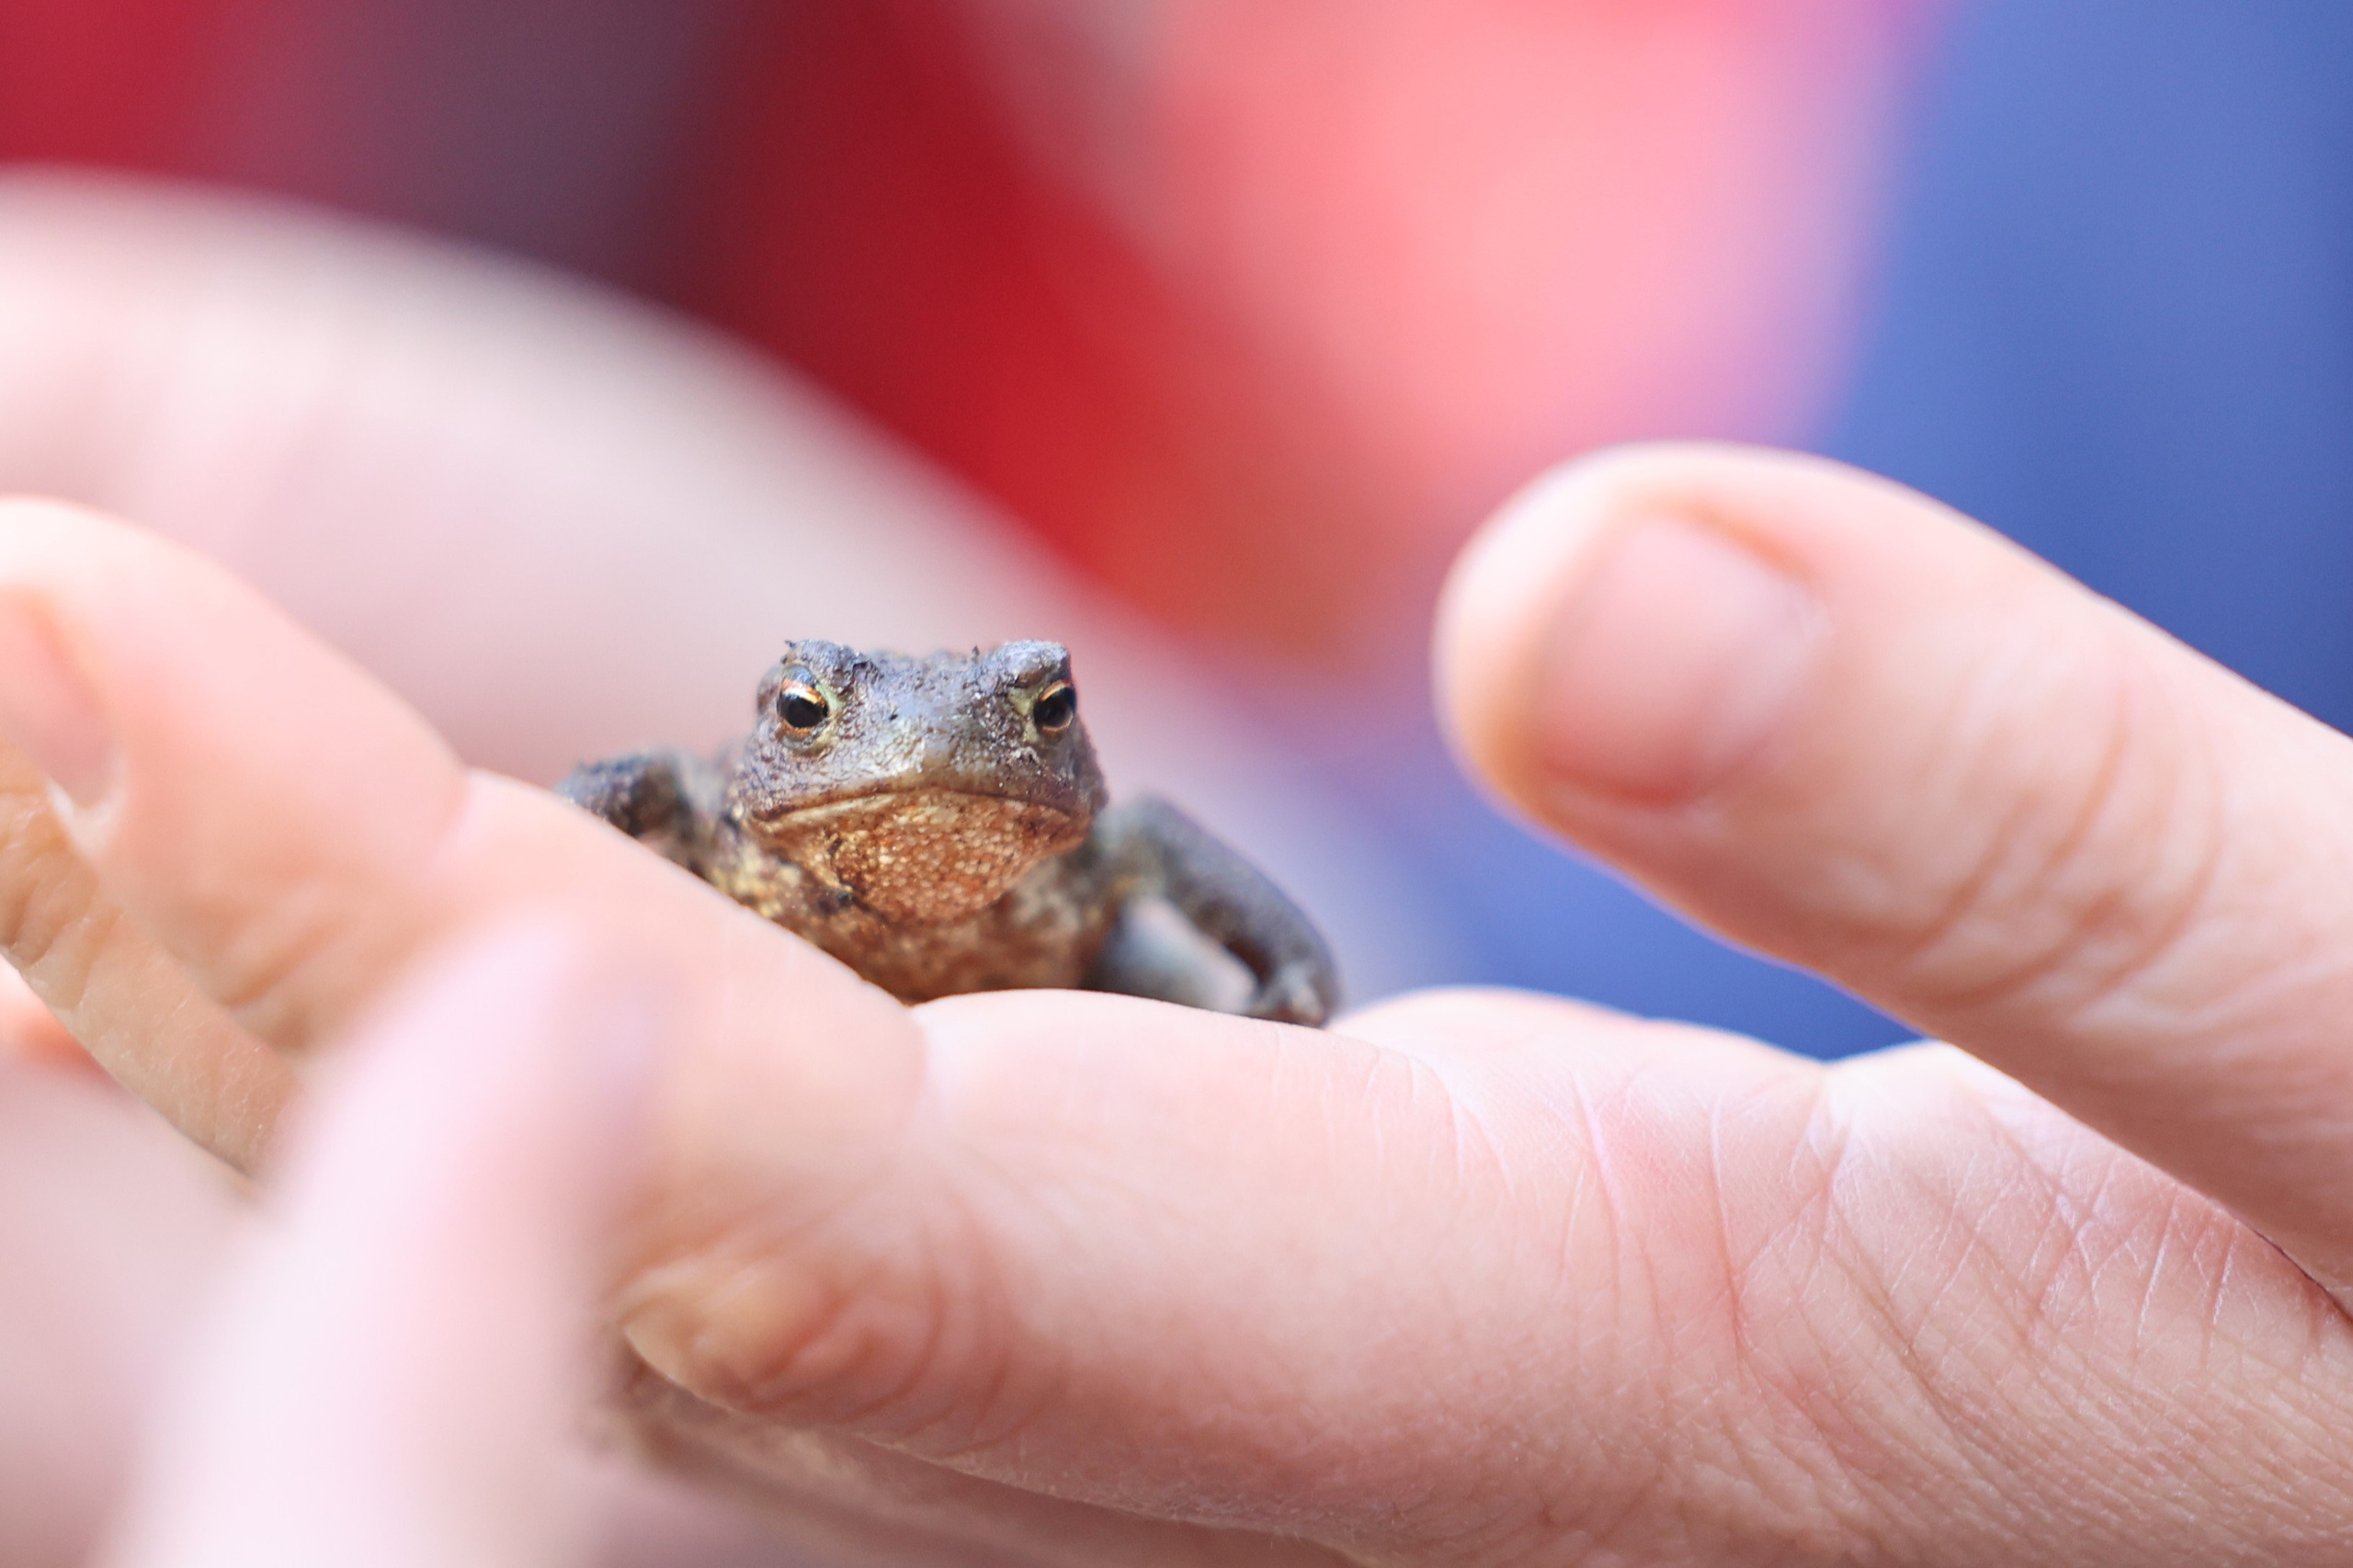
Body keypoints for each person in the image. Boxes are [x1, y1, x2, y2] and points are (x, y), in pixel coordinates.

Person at [7, 181, 2353, 1564]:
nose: (927, 756)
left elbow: (1170, 866)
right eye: (818, 723)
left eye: (1024, 716)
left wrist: (1324, 1005)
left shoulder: (1082, 840)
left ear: (1051, 740)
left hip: (1051, 1022)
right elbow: (625, 796)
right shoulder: (734, 817)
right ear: (780, 739)